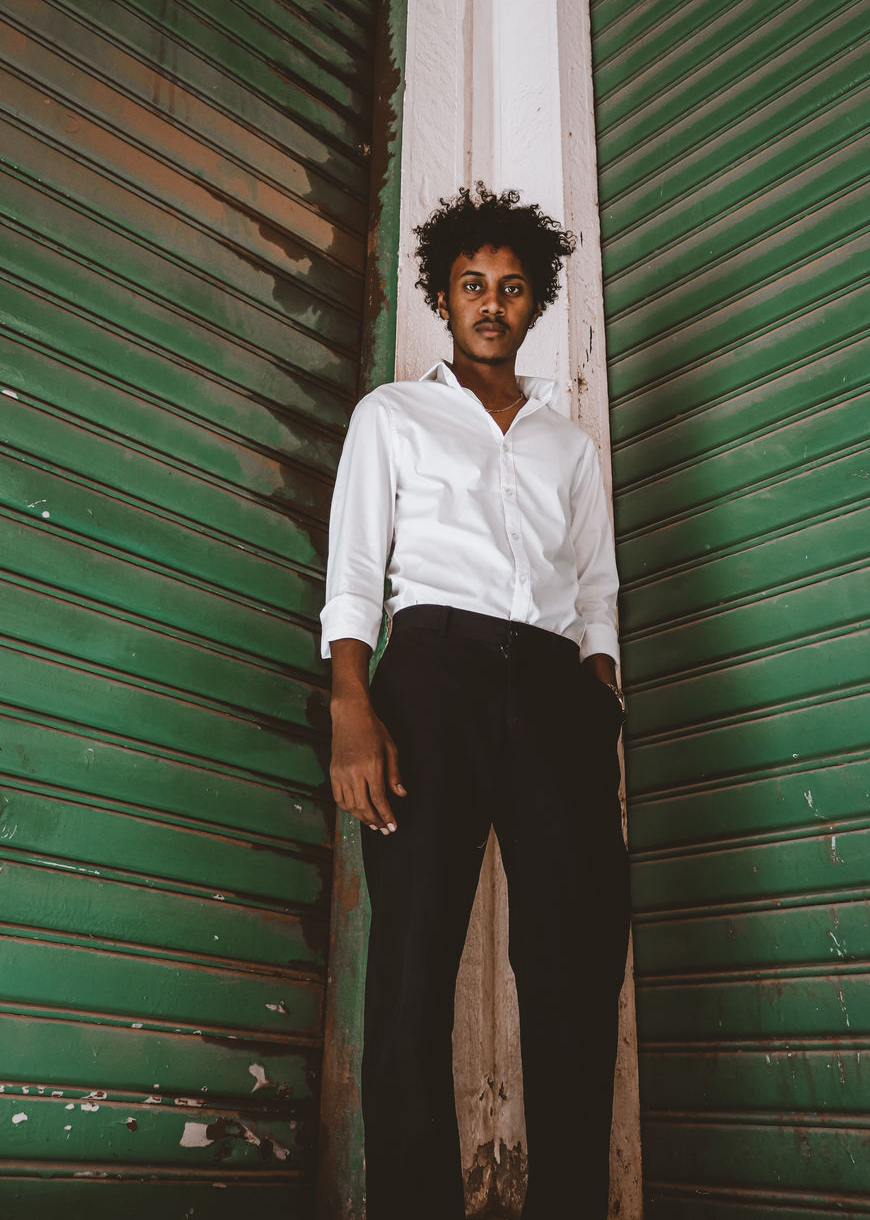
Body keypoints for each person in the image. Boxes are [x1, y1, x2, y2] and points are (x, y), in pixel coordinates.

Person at [321, 184, 629, 1220]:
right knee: (412, 964)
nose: (490, 303)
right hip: (431, 681)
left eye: (509, 287)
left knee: (572, 961)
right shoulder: (392, 416)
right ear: (440, 298)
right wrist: (352, 708)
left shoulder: (567, 445)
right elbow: (358, 568)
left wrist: (596, 695)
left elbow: (595, 590)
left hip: (552, 693)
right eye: (470, 285)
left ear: (534, 301)